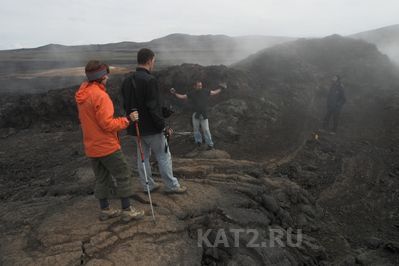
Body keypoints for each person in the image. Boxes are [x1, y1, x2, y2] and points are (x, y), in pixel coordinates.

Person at [75, 60, 144, 223]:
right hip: (106, 146)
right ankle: (127, 210)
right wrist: (127, 120)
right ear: (101, 76)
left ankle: (105, 210)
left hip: (91, 146)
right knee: (123, 173)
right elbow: (107, 124)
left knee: (101, 178)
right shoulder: (100, 96)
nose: (107, 77)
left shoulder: (82, 94)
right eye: (106, 74)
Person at [121, 48, 187, 194]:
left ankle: (148, 186)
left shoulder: (127, 80)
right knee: (163, 156)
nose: (154, 64)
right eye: (154, 61)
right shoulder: (150, 80)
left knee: (142, 157)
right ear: (149, 60)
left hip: (135, 128)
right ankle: (172, 186)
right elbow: (153, 107)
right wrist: (163, 126)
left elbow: (126, 105)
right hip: (151, 128)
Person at [170, 81, 223, 150]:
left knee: (206, 130)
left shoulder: (205, 91)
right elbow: (182, 96)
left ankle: (210, 144)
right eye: (198, 86)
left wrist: (221, 88)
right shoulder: (192, 93)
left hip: (204, 114)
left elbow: (214, 92)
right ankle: (198, 142)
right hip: (196, 114)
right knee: (196, 129)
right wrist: (175, 93)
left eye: (201, 86)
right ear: (194, 86)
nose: (200, 87)